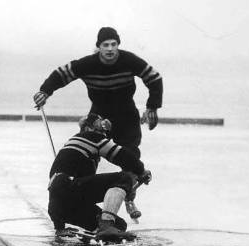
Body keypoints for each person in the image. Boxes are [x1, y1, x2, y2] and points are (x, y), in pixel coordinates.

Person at [33, 27, 163, 158]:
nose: (110, 49)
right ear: (99, 47)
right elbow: (61, 75)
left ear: (118, 45)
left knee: (130, 155)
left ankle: (132, 177)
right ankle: (82, 178)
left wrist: (152, 107)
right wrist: (44, 92)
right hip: (98, 114)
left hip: (126, 114)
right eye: (105, 45)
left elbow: (154, 78)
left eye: (114, 44)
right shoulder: (88, 64)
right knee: (86, 151)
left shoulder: (129, 60)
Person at [48, 113, 151, 242]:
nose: (104, 133)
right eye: (100, 127)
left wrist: (59, 227)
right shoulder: (90, 137)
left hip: (60, 208)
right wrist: (141, 171)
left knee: (119, 226)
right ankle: (106, 226)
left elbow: (59, 192)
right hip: (69, 190)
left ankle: (103, 231)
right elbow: (123, 157)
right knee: (124, 178)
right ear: (87, 128)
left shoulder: (76, 147)